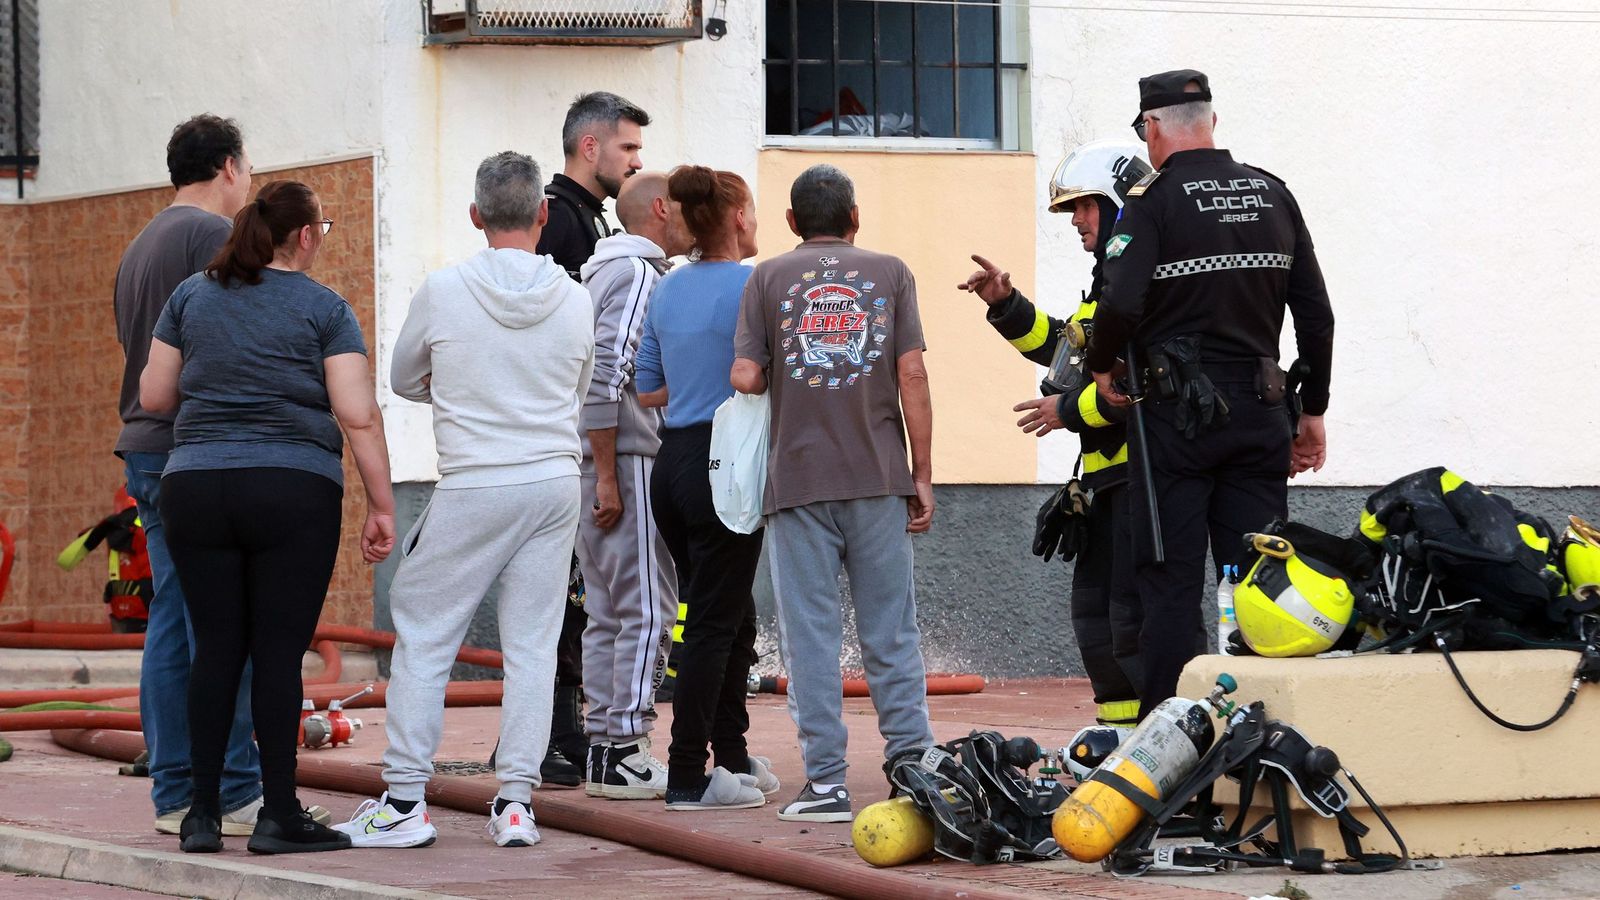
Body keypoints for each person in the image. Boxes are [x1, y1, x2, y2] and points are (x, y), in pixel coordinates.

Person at [336, 151, 595, 849]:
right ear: (544, 214)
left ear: (475, 216)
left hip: (477, 479)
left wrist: (455, 389)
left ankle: (403, 802)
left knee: (424, 631)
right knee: (534, 644)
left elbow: (401, 377)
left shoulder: (445, 290)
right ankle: (515, 804)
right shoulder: (576, 296)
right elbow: (579, 389)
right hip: (553, 482)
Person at [139, 180, 395, 854]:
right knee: (278, 655)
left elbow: (154, 394)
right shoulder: (326, 308)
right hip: (291, 490)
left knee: (214, 648)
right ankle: (278, 812)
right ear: (306, 236)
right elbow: (358, 416)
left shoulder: (191, 295)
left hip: (195, 487)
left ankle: (199, 815)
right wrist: (382, 504)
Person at [1076, 70, 1334, 710]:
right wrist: (1316, 411)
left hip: (1176, 424)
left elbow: (1121, 300)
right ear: (1211, 122)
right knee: (1262, 576)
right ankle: (1267, 727)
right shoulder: (1273, 194)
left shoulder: (1152, 202)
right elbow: (1317, 314)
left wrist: (1103, 364)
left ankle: (1177, 745)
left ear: (1154, 126)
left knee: (1168, 582)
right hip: (1262, 412)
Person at [731, 164, 936, 823]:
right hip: (879, 477)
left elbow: (747, 377)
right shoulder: (892, 273)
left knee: (812, 639)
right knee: (891, 632)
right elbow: (912, 374)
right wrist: (921, 472)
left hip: (795, 484)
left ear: (792, 223)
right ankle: (911, 767)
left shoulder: (766, 278)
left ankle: (825, 785)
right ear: (854, 218)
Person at [114, 114, 286, 838]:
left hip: (149, 448)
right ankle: (230, 789)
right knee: (223, 623)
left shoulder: (140, 244)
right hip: (197, 448)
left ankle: (177, 790)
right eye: (246, 169)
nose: (247, 182)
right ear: (227, 167)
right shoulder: (206, 239)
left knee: (174, 622)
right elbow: (228, 340)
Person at [958, 140, 1150, 737]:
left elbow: (1131, 390)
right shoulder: (1107, 288)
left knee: (1128, 620)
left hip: (1137, 481)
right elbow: (1065, 348)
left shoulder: (1140, 287)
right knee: (1096, 620)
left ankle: (1150, 743)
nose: (1075, 222)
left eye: (1084, 208)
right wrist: (1005, 304)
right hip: (1102, 484)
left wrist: (1066, 409)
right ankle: (1118, 738)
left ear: (1117, 205)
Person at [636, 165, 773, 812]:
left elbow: (648, 388)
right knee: (714, 626)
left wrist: (697, 377)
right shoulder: (757, 286)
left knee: (727, 613)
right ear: (740, 217)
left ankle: (735, 756)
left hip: (674, 461)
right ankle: (688, 774)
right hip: (730, 463)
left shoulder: (667, 288)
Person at [535, 91, 651, 784]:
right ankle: (554, 737)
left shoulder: (586, 221)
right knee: (574, 598)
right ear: (590, 148)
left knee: (587, 600)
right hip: (571, 442)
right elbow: (591, 356)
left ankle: (566, 734)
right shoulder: (569, 228)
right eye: (628, 149)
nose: (638, 161)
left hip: (574, 438)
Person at [574, 171, 691, 799]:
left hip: (598, 462)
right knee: (647, 610)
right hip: (629, 459)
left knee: (607, 613)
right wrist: (613, 478)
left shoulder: (597, 271)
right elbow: (609, 375)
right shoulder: (641, 275)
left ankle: (604, 749)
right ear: (662, 210)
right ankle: (625, 747)